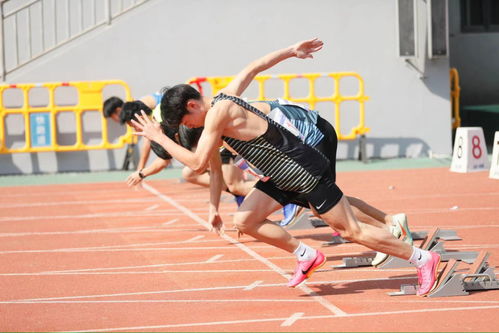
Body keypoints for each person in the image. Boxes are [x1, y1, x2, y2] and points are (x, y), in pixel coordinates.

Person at [132, 38, 440, 296]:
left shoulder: (217, 114)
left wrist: (158, 136)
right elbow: (254, 66)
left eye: (188, 123)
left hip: (302, 170)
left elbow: (198, 163)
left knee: (350, 230)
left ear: (192, 105)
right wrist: (291, 51)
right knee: (245, 219)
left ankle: (423, 259)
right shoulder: (225, 96)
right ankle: (306, 255)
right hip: (281, 173)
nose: (191, 127)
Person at [119, 100, 303, 224]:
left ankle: (288, 197)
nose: (134, 129)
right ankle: (249, 194)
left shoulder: (162, 120)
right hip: (211, 142)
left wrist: (141, 173)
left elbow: (163, 160)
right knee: (190, 173)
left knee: (235, 184)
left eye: (131, 125)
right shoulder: (158, 119)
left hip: (217, 140)